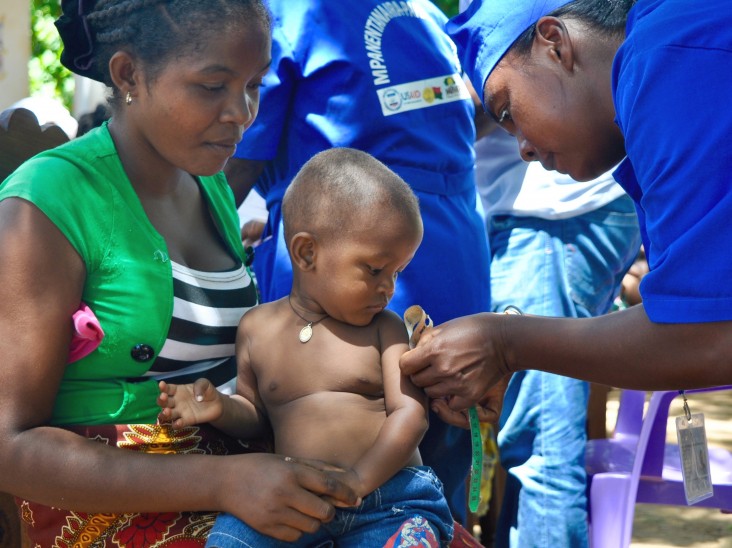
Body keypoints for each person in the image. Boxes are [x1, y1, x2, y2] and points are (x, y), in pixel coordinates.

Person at [0, 1, 361, 546]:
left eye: (254, 85)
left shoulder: (208, 185)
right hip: (107, 512)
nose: (241, 112)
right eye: (213, 87)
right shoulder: (49, 201)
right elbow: (8, 444)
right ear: (128, 75)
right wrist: (222, 481)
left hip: (237, 482)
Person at [223, 0, 493, 524]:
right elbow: (478, 110)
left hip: (343, 267)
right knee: (437, 502)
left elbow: (236, 155)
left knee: (310, 499)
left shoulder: (294, 12)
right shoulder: (427, 17)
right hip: (454, 268)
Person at [399, 0, 732, 423]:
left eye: (508, 111)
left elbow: (708, 335)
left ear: (554, 43)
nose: (523, 149)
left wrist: (506, 344)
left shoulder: (663, 59)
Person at [157, 147, 455, 547]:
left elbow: (411, 416)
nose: (388, 288)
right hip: (295, 500)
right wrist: (221, 408)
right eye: (374, 269)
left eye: (397, 272)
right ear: (307, 252)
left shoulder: (385, 330)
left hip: (390, 499)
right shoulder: (258, 328)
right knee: (230, 539)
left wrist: (358, 480)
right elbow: (258, 418)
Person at [474, 129, 640, 547]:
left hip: (552, 218)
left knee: (541, 446)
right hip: (552, 215)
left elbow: (478, 96)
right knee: (533, 440)